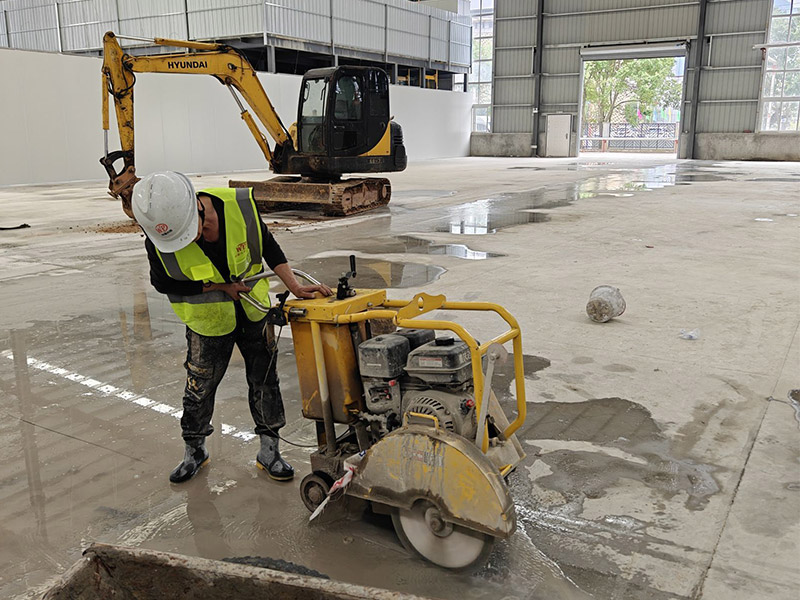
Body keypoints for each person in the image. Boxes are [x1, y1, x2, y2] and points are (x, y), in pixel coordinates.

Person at [131, 171, 332, 484]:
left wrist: (293, 284)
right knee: (199, 390)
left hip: (254, 312)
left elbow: (268, 245)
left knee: (265, 381)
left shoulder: (238, 207)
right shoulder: (160, 237)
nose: (187, 240)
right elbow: (162, 282)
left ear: (196, 207)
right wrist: (220, 287)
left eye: (190, 231)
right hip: (207, 322)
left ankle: (269, 451)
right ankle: (194, 451)